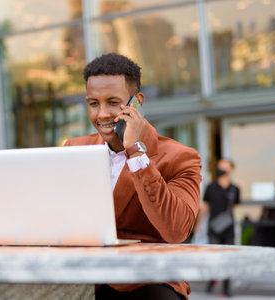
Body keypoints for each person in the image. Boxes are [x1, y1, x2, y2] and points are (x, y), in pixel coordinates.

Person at [64, 53, 202, 300]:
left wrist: (135, 152)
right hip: (86, 278)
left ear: (137, 102)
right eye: (93, 103)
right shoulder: (74, 149)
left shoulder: (180, 158)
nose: (102, 114)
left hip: (147, 281)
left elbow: (176, 230)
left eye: (113, 102)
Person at [194, 158, 240, 297]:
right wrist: (198, 225)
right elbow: (205, 207)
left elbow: (234, 208)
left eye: (224, 167)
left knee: (228, 259)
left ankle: (226, 288)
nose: (221, 169)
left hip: (228, 230)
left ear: (231, 170)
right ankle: (211, 280)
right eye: (220, 166)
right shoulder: (210, 187)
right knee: (214, 258)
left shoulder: (235, 189)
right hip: (213, 228)